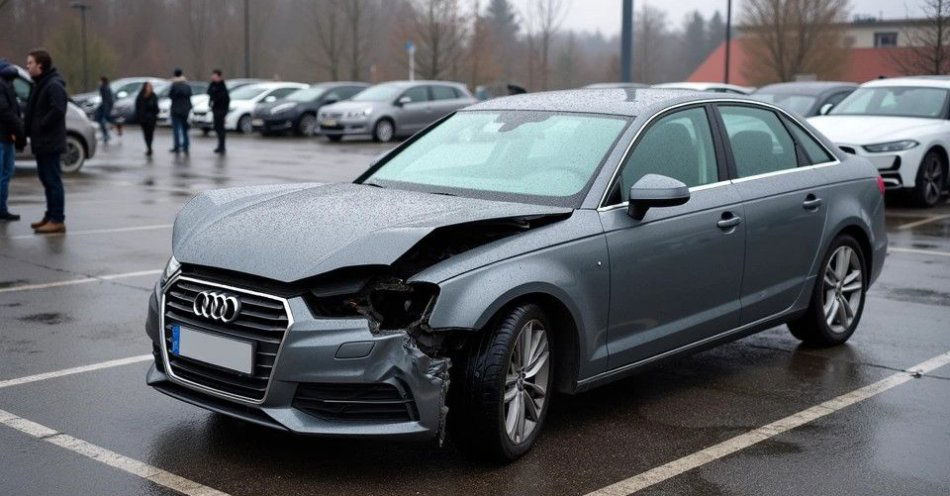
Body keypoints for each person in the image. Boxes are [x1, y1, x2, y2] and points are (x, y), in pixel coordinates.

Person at [24, 49, 67, 234]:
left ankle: (57, 219)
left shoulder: (53, 84)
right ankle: (50, 215)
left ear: (40, 65)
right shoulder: (41, 83)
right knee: (46, 180)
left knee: (53, 180)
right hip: (42, 142)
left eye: (30, 63)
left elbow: (58, 109)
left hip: (50, 142)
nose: (27, 66)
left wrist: (41, 124)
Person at [0, 59, 26, 221]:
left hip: (6, 136)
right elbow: (5, 112)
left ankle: (2, 208)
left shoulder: (6, 84)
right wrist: (19, 130)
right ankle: (1, 209)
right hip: (3, 137)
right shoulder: (3, 85)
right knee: (4, 173)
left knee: (5, 173)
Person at [168, 68, 192, 154]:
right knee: (185, 129)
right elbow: (190, 96)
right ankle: (186, 146)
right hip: (185, 110)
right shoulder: (187, 85)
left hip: (176, 110)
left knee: (176, 130)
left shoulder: (174, 85)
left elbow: (170, 96)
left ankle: (177, 146)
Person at [207, 69, 230, 154]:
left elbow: (225, 98)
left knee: (220, 128)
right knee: (216, 127)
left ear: (219, 76)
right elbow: (209, 92)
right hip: (215, 109)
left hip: (221, 110)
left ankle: (222, 146)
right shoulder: (212, 84)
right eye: (212, 75)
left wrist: (225, 111)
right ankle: (220, 146)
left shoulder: (222, 86)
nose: (213, 77)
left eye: (215, 76)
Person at [135, 82, 159, 156]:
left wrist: (154, 113)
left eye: (150, 87)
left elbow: (156, 107)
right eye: (148, 87)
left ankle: (150, 147)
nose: (149, 88)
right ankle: (148, 147)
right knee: (145, 133)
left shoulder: (153, 96)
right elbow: (138, 107)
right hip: (143, 118)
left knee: (150, 133)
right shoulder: (140, 96)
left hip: (151, 118)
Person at [95, 76, 121, 143]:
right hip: (104, 107)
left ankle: (106, 135)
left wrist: (106, 109)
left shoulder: (105, 88)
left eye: (100, 81)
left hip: (106, 107)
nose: (99, 82)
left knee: (103, 120)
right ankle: (107, 133)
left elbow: (108, 100)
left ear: (103, 81)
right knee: (102, 119)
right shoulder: (103, 88)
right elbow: (104, 99)